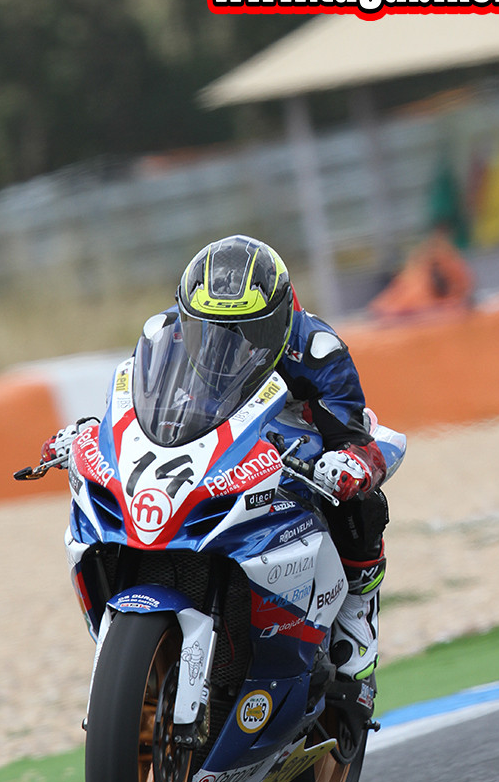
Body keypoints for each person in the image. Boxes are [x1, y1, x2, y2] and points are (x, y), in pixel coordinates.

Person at [41, 234, 389, 690]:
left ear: (280, 320)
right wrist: (90, 435)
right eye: (212, 331)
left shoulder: (318, 349)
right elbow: (134, 409)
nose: (228, 347)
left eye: (247, 332)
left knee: (361, 502)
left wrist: (349, 464)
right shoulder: (163, 335)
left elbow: (353, 432)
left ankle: (356, 614)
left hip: (291, 458)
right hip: (209, 449)